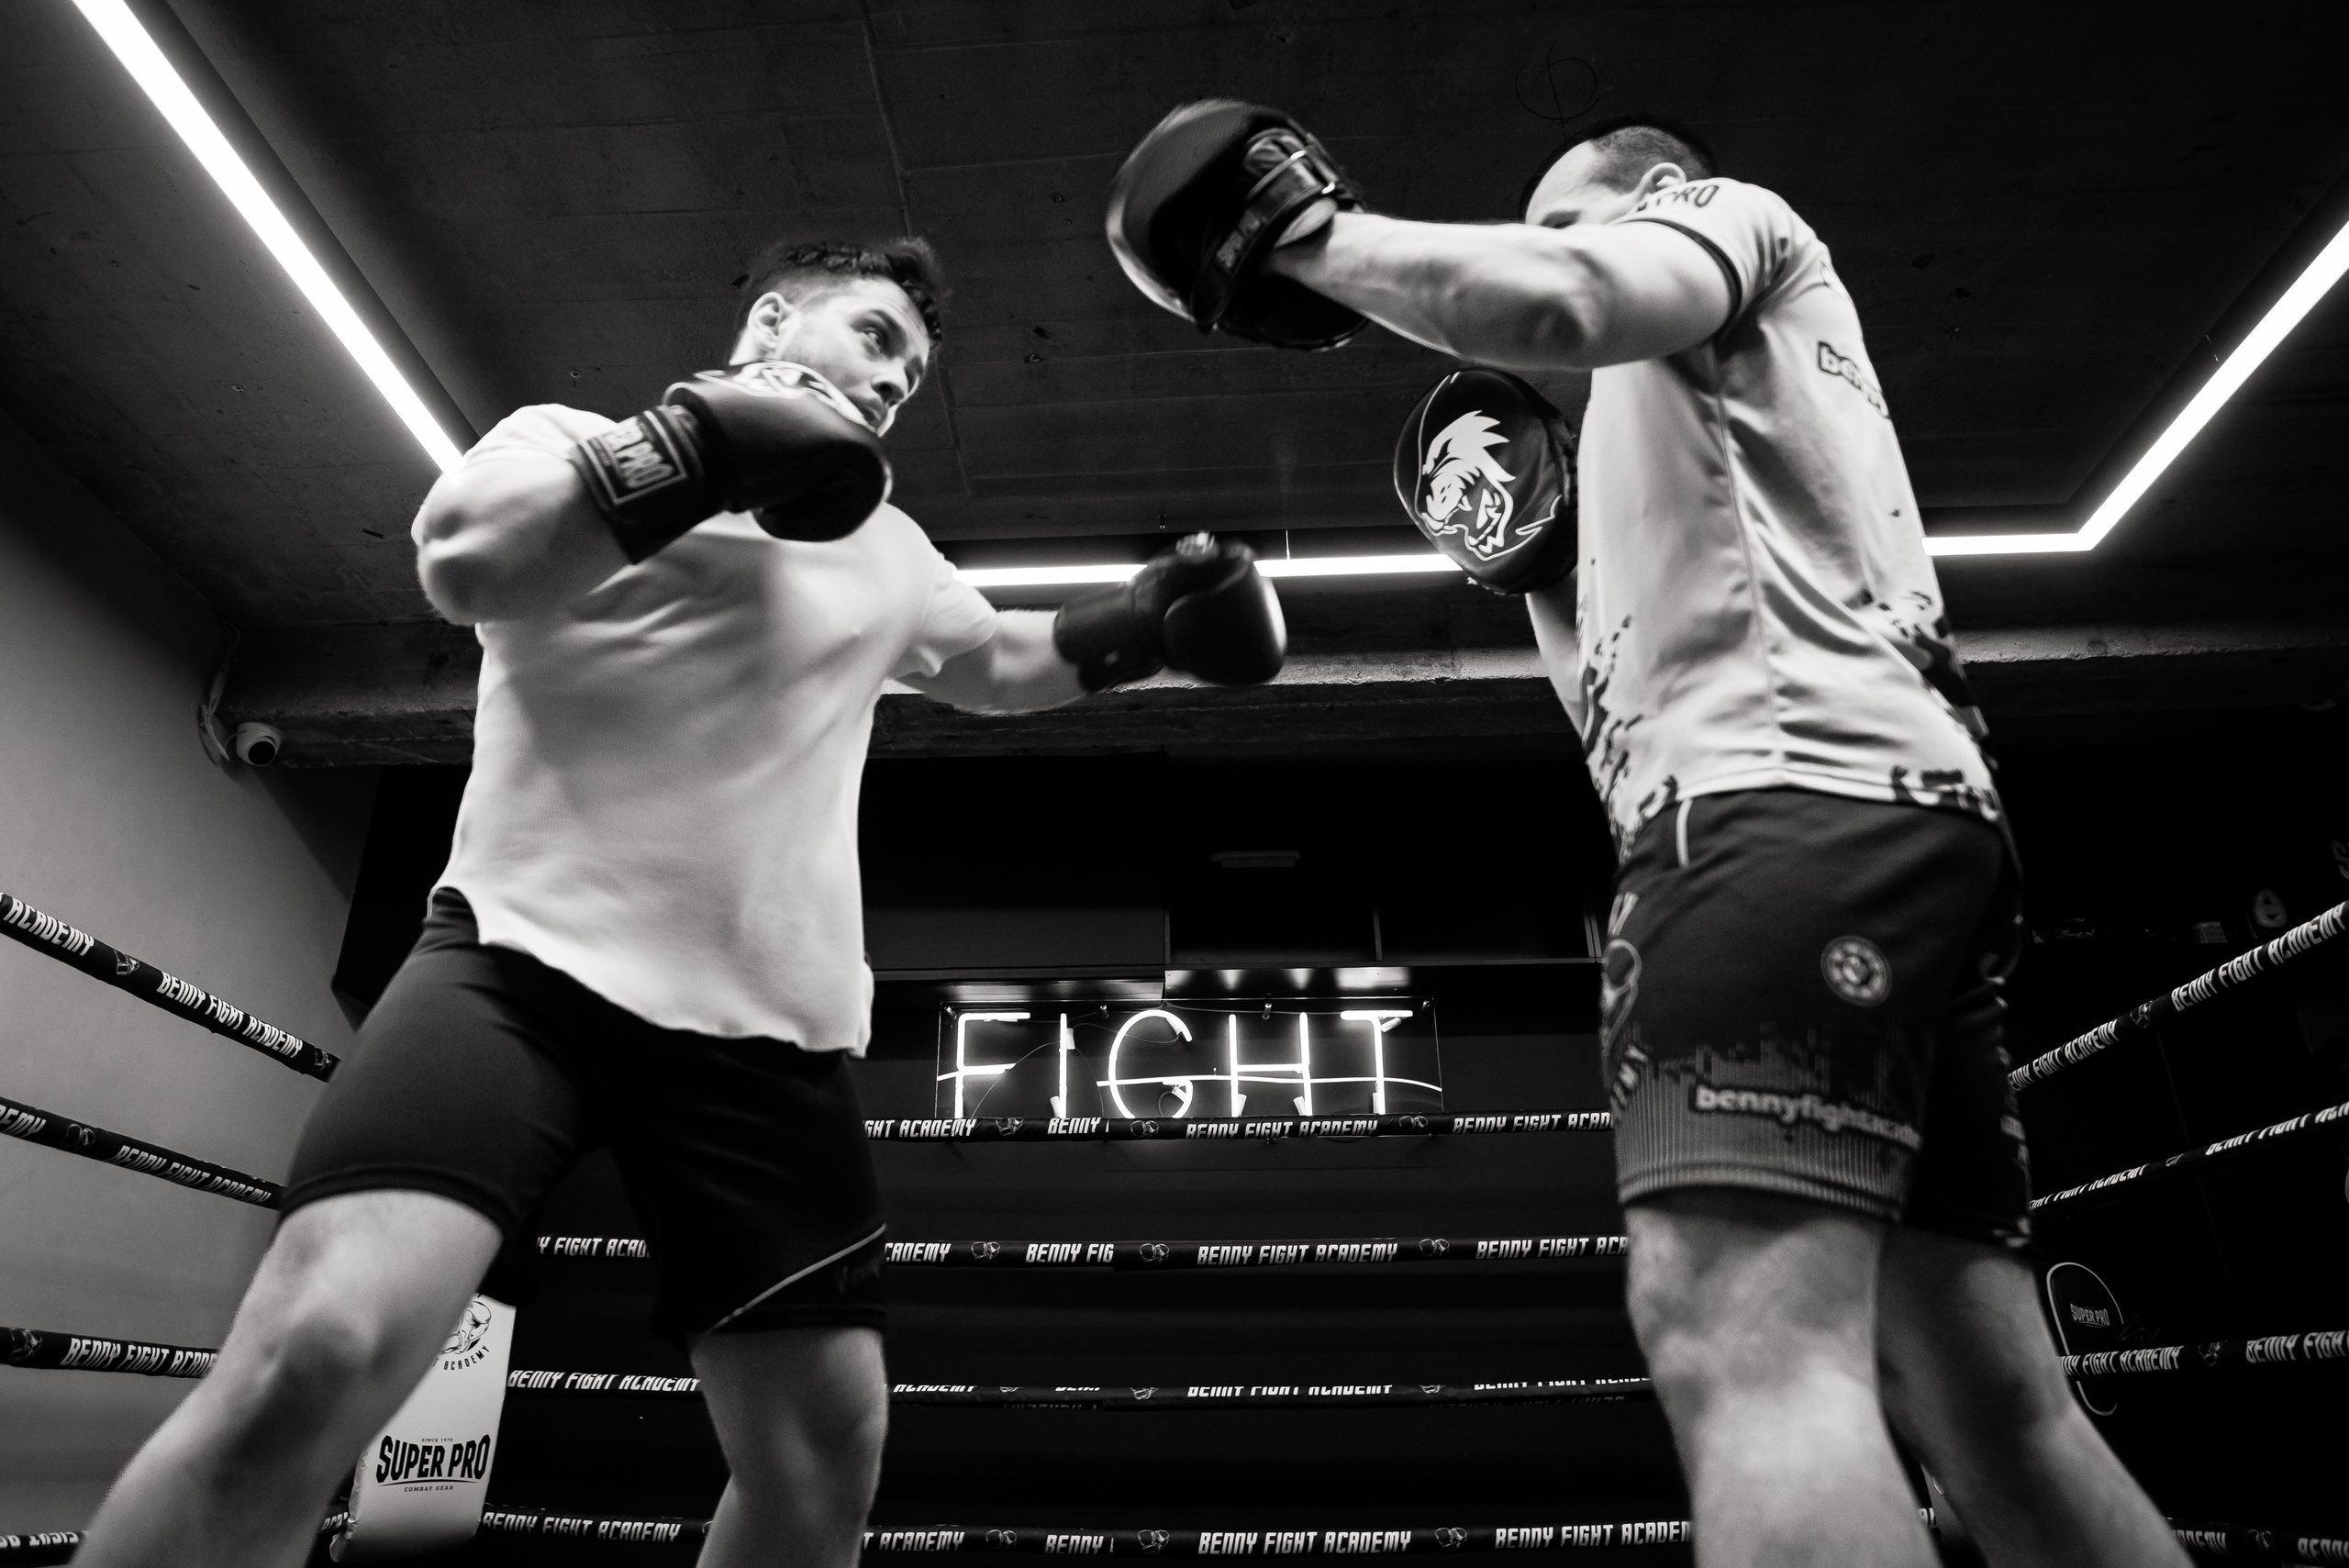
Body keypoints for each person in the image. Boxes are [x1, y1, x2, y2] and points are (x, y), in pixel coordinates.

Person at [77, 238, 1285, 1568]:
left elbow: (997, 661)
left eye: (914, 373)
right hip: (517, 970)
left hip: (767, 1036)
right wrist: (695, 451)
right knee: (316, 1350)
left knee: (822, 1458)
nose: (895, 383)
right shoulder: (568, 438)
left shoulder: (890, 547)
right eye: (878, 337)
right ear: (776, 319)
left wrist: (1145, 622)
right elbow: (468, 564)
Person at [1104, 106, 2188, 1566]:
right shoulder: (1656, 429)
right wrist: (1534, 570)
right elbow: (1612, 720)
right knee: (1988, 1400)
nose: (1540, 260)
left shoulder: (1735, 220)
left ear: (1657, 196)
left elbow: (1569, 295)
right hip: (1875, 817)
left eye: (1563, 221)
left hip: (1775, 809)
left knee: (1743, 1343)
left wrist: (1298, 237)